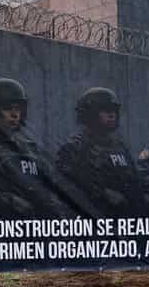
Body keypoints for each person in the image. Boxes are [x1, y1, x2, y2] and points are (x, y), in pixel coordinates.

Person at [0, 77, 71, 222]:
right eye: (7, 108)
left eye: (17, 108)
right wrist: (8, 200)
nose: (14, 114)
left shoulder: (30, 150)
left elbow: (51, 188)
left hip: (36, 233)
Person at [55, 87, 143, 218]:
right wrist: (102, 193)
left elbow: (135, 183)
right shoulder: (73, 148)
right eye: (105, 110)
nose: (111, 114)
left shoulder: (119, 146)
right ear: (90, 113)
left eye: (114, 110)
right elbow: (63, 189)